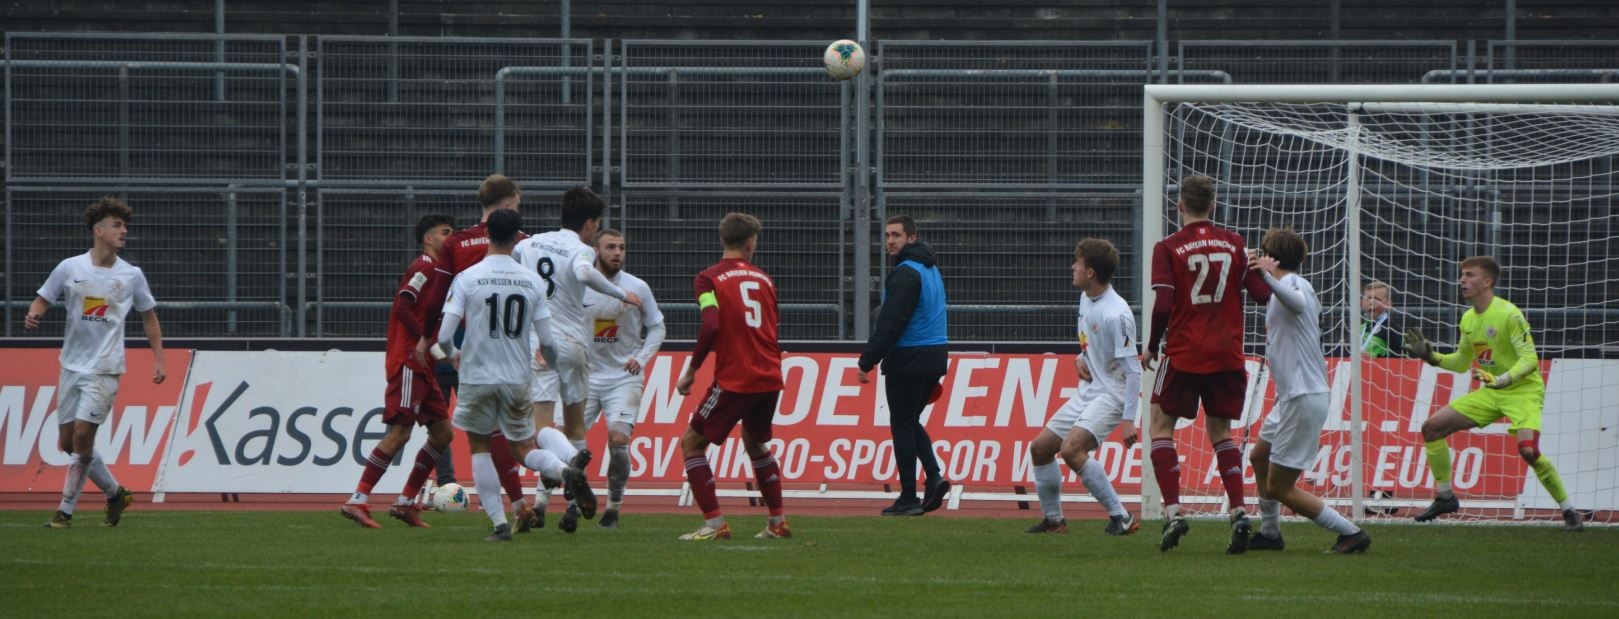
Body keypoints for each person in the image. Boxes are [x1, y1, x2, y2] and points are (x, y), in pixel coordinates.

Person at [435, 209, 595, 541]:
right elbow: (547, 341)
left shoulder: (467, 277)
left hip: (478, 376)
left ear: (488, 234)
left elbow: (444, 335)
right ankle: (564, 471)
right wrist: (552, 362)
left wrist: (454, 355)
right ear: (516, 237)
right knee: (523, 449)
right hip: (517, 378)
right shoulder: (531, 281)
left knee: (480, 448)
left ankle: (499, 525)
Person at [1403, 257, 1583, 531]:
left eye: (1469, 275)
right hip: (1491, 392)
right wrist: (1431, 357)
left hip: (1523, 391)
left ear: (1487, 281)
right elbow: (1461, 362)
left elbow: (1530, 359)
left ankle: (1568, 509)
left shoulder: (1509, 314)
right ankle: (1445, 496)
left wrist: (1503, 379)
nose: (1461, 280)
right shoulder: (1468, 318)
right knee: (1432, 428)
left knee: (1528, 451)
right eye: (1462, 275)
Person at [1143, 174, 1270, 553]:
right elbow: (1261, 296)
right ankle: (1239, 511)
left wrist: (1152, 345)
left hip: (1185, 352)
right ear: (1212, 205)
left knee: (1160, 427)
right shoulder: (1235, 243)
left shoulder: (1168, 247)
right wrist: (1259, 267)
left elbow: (1163, 304)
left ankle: (1174, 512)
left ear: (1180, 205)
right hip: (1227, 354)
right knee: (1222, 434)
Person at [28, 197, 165, 530]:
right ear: (98, 230)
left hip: (105, 368)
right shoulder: (70, 267)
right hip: (71, 366)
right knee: (67, 442)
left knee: (83, 433)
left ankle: (64, 512)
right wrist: (34, 313)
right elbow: (44, 297)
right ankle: (115, 493)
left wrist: (159, 359)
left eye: (125, 226)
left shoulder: (131, 275)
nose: (124, 231)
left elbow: (149, 316)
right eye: (117, 225)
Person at [513, 186, 642, 533]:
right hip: (572, 345)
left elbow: (514, 266)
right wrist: (620, 293)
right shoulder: (580, 249)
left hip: (539, 344)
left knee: (542, 428)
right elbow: (585, 273)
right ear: (589, 223)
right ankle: (572, 496)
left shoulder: (531, 243)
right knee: (575, 426)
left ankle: (567, 465)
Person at [421, 173, 540, 531]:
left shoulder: (456, 242)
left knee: (466, 434)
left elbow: (436, 296)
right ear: (508, 204)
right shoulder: (524, 242)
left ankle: (504, 512)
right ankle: (523, 499)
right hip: (510, 350)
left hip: (458, 345)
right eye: (518, 204)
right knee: (505, 434)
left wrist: (429, 340)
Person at [1244, 228, 1372, 554]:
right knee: (1259, 456)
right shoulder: (1284, 286)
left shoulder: (1293, 283)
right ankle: (1270, 533)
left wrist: (1266, 277)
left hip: (1304, 396)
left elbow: (1298, 305)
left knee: (1280, 486)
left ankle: (1351, 533)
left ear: (1271, 257)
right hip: (1291, 397)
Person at [673, 213, 789, 541]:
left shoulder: (708, 279)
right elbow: (772, 325)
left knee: (692, 444)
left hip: (736, 377)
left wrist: (691, 371)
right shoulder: (765, 280)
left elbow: (711, 324)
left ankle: (714, 524)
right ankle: (777, 522)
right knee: (754, 442)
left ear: (722, 239)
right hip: (769, 374)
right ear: (751, 242)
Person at [339, 214, 459, 529]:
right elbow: (403, 305)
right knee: (400, 432)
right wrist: (425, 340)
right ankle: (357, 499)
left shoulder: (440, 271)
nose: (451, 237)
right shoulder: (424, 267)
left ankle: (405, 502)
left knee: (443, 433)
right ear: (428, 239)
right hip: (409, 361)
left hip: (424, 365)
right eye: (445, 232)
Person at [1023, 238, 1142, 536]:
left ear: (1090, 272)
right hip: (1089, 392)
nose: (1072, 267)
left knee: (1072, 450)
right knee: (1040, 449)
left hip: (1112, 395)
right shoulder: (1086, 298)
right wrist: (1080, 358)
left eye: (1077, 262)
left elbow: (1133, 372)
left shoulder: (1118, 315)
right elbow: (1090, 343)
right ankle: (1054, 521)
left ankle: (1122, 516)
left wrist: (1129, 419)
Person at [856, 214, 952, 516]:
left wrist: (867, 360)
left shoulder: (905, 273)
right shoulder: (929, 268)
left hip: (909, 355)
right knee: (909, 421)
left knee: (901, 425)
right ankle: (934, 477)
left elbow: (890, 323)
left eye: (896, 235)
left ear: (911, 238)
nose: (889, 241)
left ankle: (909, 496)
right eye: (887, 236)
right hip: (935, 353)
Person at [582, 229, 665, 529]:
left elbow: (657, 327)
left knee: (618, 439)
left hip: (623, 378)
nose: (617, 253)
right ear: (596, 250)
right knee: (567, 441)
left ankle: (613, 508)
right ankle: (554, 504)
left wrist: (641, 358)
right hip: (584, 376)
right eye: (610, 247)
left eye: (621, 247)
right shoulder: (580, 285)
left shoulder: (637, 287)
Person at [1359, 280, 1403, 358]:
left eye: (1376, 299)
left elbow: (1400, 357)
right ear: (1361, 302)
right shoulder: (1360, 327)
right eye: (1368, 298)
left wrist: (1375, 359)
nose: (1371, 302)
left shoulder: (1392, 329)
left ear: (1388, 304)